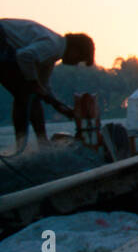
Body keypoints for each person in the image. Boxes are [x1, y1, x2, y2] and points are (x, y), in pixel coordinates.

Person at [0, 19, 94, 154]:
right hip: (2, 36)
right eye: (79, 59)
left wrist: (59, 106)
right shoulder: (53, 46)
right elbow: (24, 56)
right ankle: (31, 145)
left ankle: (40, 143)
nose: (76, 64)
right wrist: (33, 83)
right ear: (75, 50)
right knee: (24, 93)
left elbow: (43, 88)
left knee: (28, 94)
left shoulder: (51, 56)